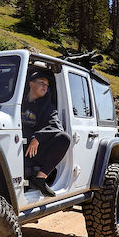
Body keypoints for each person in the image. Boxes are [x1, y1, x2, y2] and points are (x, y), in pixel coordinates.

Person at [21, 69, 71, 197]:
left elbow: (56, 126)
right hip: (15, 146)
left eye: (47, 85)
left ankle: (40, 178)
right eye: (42, 83)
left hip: (33, 151)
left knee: (64, 138)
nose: (45, 87)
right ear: (31, 84)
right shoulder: (16, 101)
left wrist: (37, 137)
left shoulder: (48, 107)